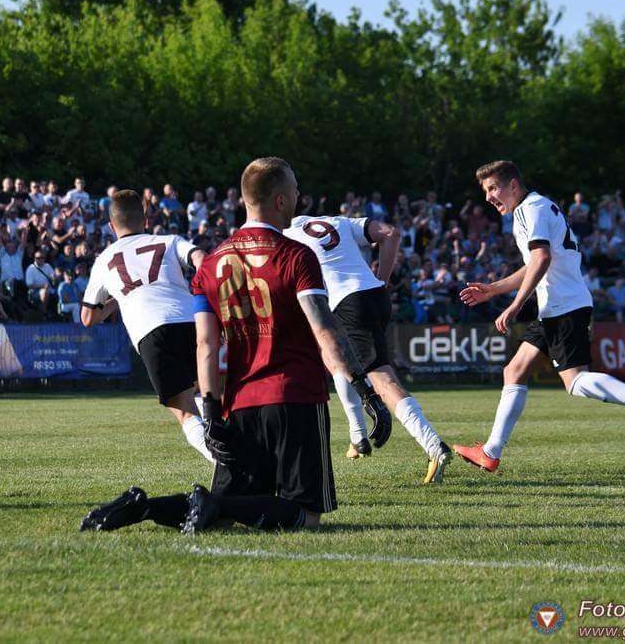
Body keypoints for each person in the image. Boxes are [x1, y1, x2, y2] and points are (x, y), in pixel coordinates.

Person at [82, 157, 390, 534]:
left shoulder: (212, 263)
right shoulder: (297, 255)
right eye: (294, 190)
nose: (298, 196)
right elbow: (325, 331)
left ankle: (144, 506)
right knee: (305, 516)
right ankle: (208, 502)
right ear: (280, 200)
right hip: (295, 396)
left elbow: (206, 345)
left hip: (240, 403)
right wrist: (365, 389)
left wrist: (212, 414)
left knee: (227, 516)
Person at [454, 161, 625, 473]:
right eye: (486, 191)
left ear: (513, 185)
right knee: (514, 371)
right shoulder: (537, 206)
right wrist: (493, 289)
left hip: (563, 306)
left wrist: (515, 305)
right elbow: (536, 262)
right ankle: (490, 452)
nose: (488, 197)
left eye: (493, 188)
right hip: (557, 306)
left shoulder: (530, 209)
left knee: (576, 382)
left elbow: (541, 259)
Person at [284, 212, 453, 482]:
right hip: (374, 294)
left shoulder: (286, 236)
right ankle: (357, 437)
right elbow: (391, 233)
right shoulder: (339, 221)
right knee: (336, 358)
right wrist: (382, 281)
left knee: (383, 380)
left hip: (346, 302)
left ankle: (433, 445)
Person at [79, 189, 214, 463]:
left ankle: (227, 467)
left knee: (186, 412)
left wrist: (118, 298)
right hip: (193, 322)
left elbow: (88, 317)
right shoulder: (167, 240)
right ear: (146, 219)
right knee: (206, 395)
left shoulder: (105, 259)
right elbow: (200, 256)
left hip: (151, 330)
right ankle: (238, 460)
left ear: (111, 226)